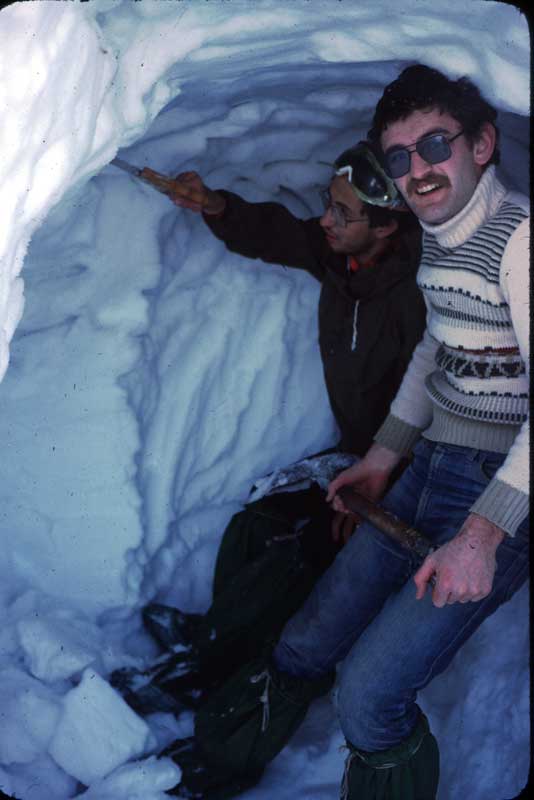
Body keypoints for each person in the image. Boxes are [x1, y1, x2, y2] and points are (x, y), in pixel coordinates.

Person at [155, 64, 529, 800]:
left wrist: (484, 535)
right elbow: (438, 350)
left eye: (434, 145)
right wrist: (385, 456)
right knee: (303, 640)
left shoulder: (519, 240)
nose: (417, 169)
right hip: (428, 469)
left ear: (482, 144)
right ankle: (220, 762)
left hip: (497, 496)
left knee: (368, 695)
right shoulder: (440, 236)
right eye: (400, 157)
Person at [110, 142, 425, 764]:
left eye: (343, 214)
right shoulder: (347, 260)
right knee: (261, 523)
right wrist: (216, 206)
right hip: (358, 461)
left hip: (408, 486)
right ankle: (214, 645)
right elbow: (281, 234)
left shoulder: (418, 298)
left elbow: (443, 412)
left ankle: (222, 718)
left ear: (388, 224)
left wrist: (377, 493)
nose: (326, 223)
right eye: (328, 207)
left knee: (298, 570)